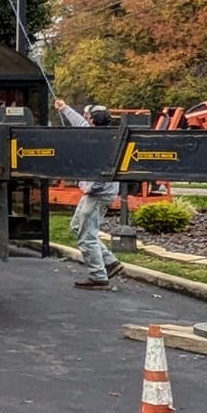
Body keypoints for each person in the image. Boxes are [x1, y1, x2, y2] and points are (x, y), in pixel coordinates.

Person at [71, 103, 125, 289]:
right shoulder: (102, 135)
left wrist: (89, 187)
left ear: (93, 120)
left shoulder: (101, 142)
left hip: (97, 195)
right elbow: (79, 123)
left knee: (87, 236)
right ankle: (109, 262)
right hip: (99, 193)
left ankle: (98, 276)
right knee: (77, 226)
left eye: (88, 116)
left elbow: (103, 171)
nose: (85, 118)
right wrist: (64, 109)